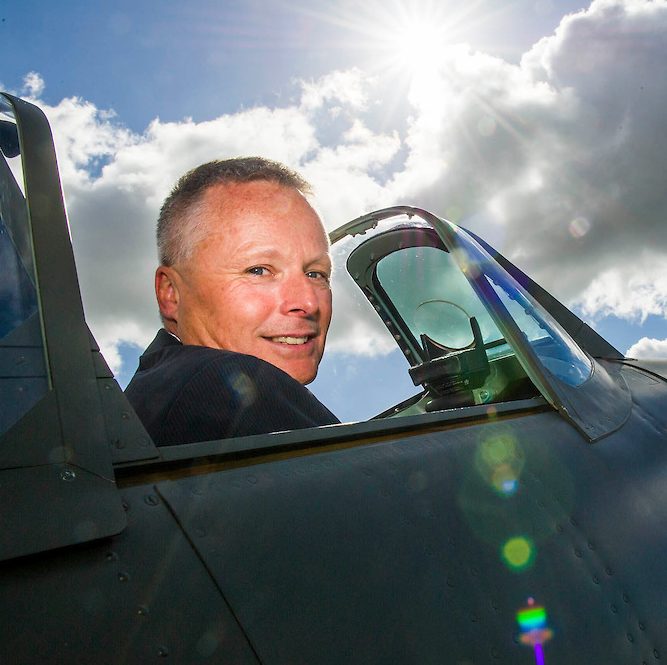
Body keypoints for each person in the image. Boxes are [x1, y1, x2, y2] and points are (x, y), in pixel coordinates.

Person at [125, 157, 339, 446]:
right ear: (171, 293)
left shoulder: (155, 396)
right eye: (258, 270)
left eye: (315, 273)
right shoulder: (223, 386)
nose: (308, 302)